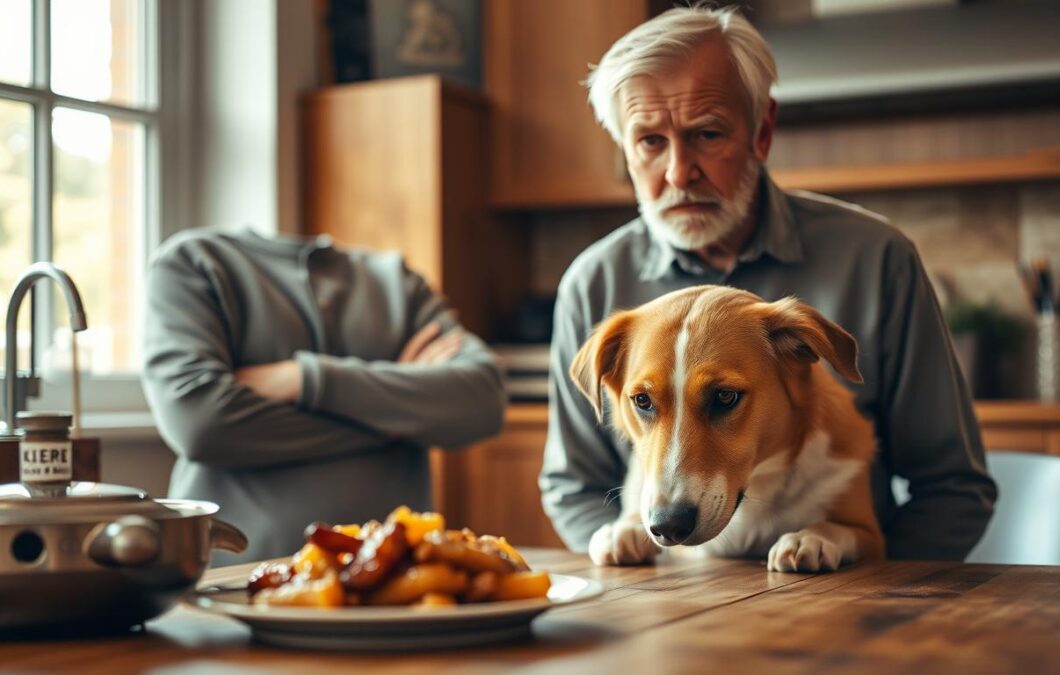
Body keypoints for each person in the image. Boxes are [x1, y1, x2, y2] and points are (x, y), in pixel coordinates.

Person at [540, 5, 996, 562]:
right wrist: (638, 574)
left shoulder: (876, 259)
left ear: (761, 132)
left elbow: (954, 490)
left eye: (706, 134)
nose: (680, 172)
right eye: (650, 142)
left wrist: (879, 609)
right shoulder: (593, 284)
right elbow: (575, 488)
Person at [142, 229, 506, 563]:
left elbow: (482, 403)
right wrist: (401, 414)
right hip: (231, 581)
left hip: (394, 588)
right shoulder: (193, 263)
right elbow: (201, 423)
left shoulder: (399, 284)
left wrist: (304, 378)